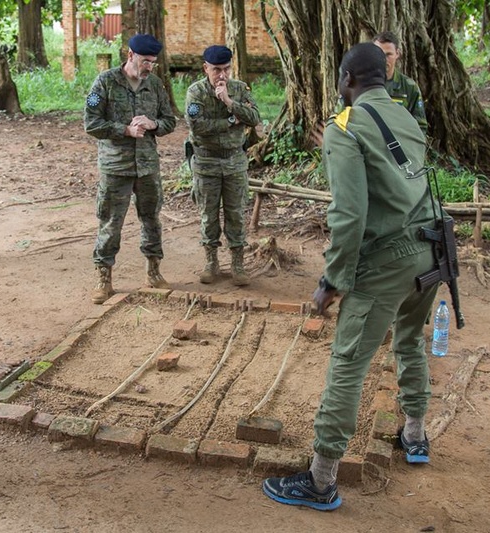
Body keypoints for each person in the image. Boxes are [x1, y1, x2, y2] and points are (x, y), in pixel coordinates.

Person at [262, 42, 439, 511]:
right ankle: (416, 436)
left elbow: (348, 213)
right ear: (385, 76)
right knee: (410, 340)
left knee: (348, 363)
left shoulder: (344, 127)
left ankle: (320, 481)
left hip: (387, 263)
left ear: (347, 80)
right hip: (432, 253)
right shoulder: (406, 115)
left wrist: (332, 280)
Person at [84, 33, 177, 304]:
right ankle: (104, 277)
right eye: (145, 61)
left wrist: (153, 124)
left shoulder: (156, 85)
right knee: (111, 222)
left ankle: (153, 271)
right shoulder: (106, 82)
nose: (149, 67)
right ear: (130, 56)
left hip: (147, 166)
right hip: (116, 167)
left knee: (151, 219)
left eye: (153, 63)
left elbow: (170, 121)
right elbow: (91, 124)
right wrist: (124, 129)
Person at [185, 45, 261, 286]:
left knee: (236, 213)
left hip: (234, 161)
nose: (222, 75)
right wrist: (231, 120)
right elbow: (197, 125)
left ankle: (238, 264)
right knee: (208, 214)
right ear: (205, 68)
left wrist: (229, 101)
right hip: (206, 160)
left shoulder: (239, 89)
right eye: (216, 70)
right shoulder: (195, 92)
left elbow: (254, 118)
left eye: (226, 69)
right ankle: (211, 261)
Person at [373, 31, 428, 135]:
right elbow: (340, 120)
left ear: (397, 54)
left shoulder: (409, 87)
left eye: (388, 54)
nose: (383, 59)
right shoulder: (358, 84)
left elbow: (420, 127)